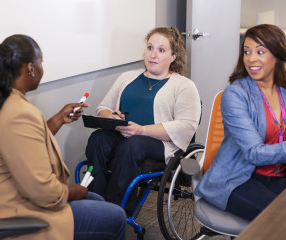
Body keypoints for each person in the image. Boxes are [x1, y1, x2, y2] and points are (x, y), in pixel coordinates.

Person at [0, 34, 126, 240]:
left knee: (96, 199)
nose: (42, 67)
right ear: (30, 68)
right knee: (116, 217)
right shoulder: (19, 114)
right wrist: (75, 191)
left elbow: (23, 148)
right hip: (20, 214)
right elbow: (45, 193)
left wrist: (59, 118)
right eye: (41, 61)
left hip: (9, 197)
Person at [85, 27, 201, 214]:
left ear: (173, 56)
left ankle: (116, 210)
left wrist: (142, 130)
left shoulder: (184, 86)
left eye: (161, 50)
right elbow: (103, 108)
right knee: (97, 139)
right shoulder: (127, 77)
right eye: (150, 47)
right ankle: (96, 204)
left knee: (132, 145)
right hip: (123, 135)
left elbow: (186, 126)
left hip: (160, 144)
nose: (153, 55)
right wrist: (112, 117)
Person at [195, 24, 286, 221]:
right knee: (284, 219)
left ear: (278, 55)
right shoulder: (235, 94)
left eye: (260, 51)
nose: (251, 58)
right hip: (236, 179)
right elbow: (255, 153)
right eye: (247, 51)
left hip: (281, 176)